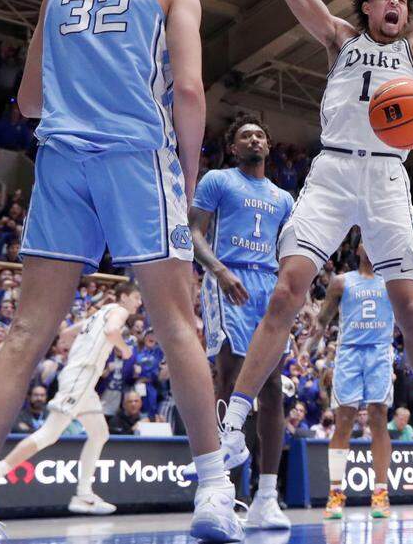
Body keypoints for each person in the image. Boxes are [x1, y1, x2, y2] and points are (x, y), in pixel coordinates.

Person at [0, 0, 242, 541]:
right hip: (133, 159)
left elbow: (28, 100)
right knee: (177, 324)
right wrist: (185, 173)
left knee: (23, 333)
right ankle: (213, 490)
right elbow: (188, 90)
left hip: (62, 162)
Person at [212, 0, 413, 480]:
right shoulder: (341, 39)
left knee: (411, 309)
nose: (395, 3)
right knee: (287, 291)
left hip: (386, 176)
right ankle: (232, 427)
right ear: (366, 7)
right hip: (335, 172)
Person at [182, 114, 294, 530]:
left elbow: (289, 251)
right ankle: (221, 491)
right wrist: (218, 271)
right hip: (228, 278)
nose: (254, 139)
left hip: (268, 285)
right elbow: (192, 232)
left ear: (268, 146)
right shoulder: (218, 180)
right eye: (245, 135)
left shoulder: (284, 198)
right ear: (234, 147)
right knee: (228, 377)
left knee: (273, 389)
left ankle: (267, 496)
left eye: (260, 135)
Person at [0, 284, 140, 515]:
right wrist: (124, 350)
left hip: (83, 380)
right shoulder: (119, 311)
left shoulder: (97, 313)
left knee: (100, 434)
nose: (139, 302)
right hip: (81, 376)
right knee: (50, 433)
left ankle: (84, 495)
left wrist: (78, 352)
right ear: (124, 296)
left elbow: (66, 334)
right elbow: (111, 332)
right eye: (137, 297)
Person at [309, 243, 397, 520]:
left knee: (378, 418)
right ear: (358, 248)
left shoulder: (393, 281)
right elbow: (322, 320)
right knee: (343, 420)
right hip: (349, 353)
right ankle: (336, 493)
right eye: (366, 240)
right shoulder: (341, 281)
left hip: (380, 352)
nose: (371, 244)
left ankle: (380, 493)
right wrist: (306, 348)